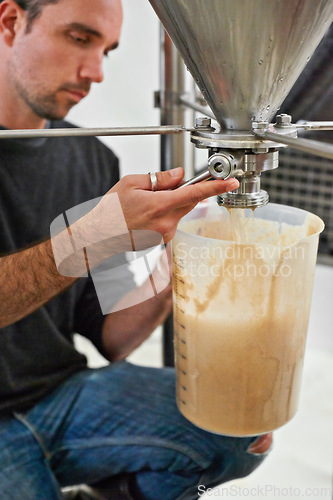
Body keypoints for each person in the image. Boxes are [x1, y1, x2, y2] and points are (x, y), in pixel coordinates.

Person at [0, 0, 272, 499]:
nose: (97, 71)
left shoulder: (90, 157)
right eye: (79, 38)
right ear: (12, 22)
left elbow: (112, 338)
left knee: (240, 430)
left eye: (108, 49)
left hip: (61, 396)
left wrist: (179, 251)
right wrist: (91, 236)